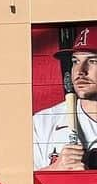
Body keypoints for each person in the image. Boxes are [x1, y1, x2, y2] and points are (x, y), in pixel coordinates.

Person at [33, 27, 97, 169]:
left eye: (92, 61)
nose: (80, 71)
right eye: (75, 61)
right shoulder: (43, 122)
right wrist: (55, 170)